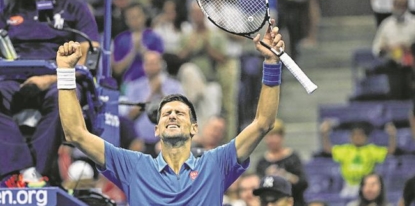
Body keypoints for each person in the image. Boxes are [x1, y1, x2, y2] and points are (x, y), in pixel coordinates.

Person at [56, 19, 285, 204]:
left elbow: (263, 122)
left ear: (195, 128)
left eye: (180, 113)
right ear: (157, 129)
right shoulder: (133, 166)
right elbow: (75, 133)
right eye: (166, 114)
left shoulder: (215, 164)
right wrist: (65, 72)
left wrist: (272, 62)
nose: (172, 115)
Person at [0, 0, 99, 187]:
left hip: (58, 77)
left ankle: (37, 172)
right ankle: (20, 169)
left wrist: (47, 79)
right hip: (13, 78)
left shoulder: (74, 8)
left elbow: (89, 56)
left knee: (61, 100)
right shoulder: (11, 8)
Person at [121, 50, 184, 157]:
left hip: (166, 140)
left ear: (161, 65)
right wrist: (150, 95)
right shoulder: (134, 86)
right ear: (144, 66)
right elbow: (129, 115)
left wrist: (163, 95)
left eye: (154, 63)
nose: (151, 66)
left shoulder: (174, 86)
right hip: (140, 141)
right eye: (148, 63)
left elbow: (182, 112)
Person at [320, 119, 397, 198]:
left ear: (366, 137)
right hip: (348, 186)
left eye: (360, 135)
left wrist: (392, 135)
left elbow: (390, 151)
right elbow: (328, 149)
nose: (357, 137)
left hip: (366, 186)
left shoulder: (371, 149)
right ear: (350, 137)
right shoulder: (345, 149)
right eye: (354, 135)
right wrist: (324, 134)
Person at [371, 0, 415, 100]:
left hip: (411, 67)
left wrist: (407, 47)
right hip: (393, 66)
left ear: (407, 6)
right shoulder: (387, 24)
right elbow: (377, 49)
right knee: (395, 93)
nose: (399, 8)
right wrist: (388, 48)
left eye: (401, 5)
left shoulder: (413, 23)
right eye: (396, 5)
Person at [255, 119, 308, 206]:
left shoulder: (293, 158)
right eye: (268, 136)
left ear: (282, 137)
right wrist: (267, 176)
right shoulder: (262, 162)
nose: (271, 139)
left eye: (274, 135)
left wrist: (286, 176)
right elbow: (257, 186)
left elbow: (303, 183)